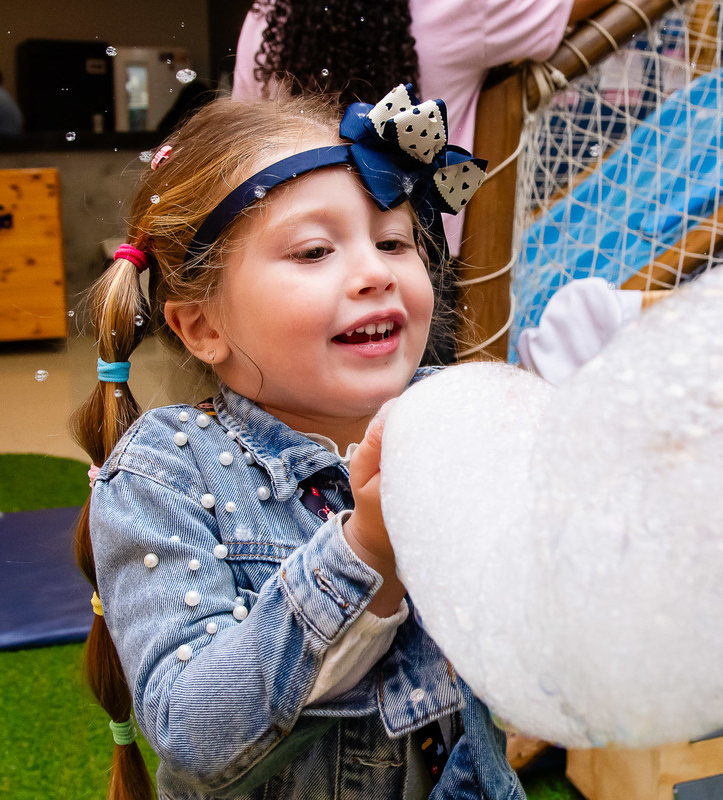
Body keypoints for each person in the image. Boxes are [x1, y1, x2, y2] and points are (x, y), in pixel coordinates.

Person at [71, 87, 512, 800]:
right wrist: (366, 550)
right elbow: (193, 737)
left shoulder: (455, 416)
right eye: (314, 250)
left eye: (395, 241)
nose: (375, 272)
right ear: (202, 328)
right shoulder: (165, 476)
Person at [232, 0, 613, 256]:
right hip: (417, 252)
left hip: (297, 251)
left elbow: (244, 147)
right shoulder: (466, 9)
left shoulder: (269, 16)